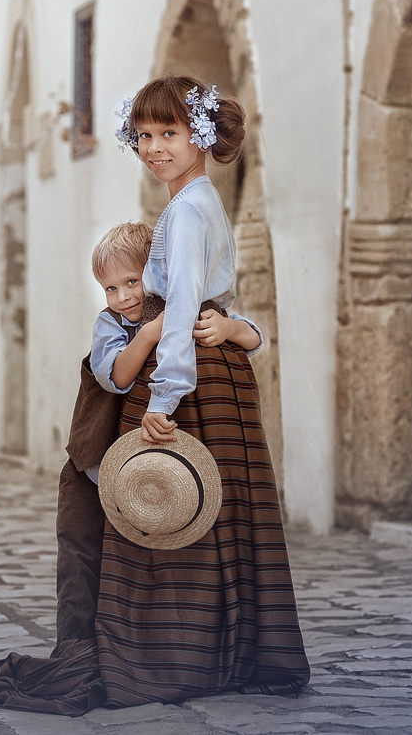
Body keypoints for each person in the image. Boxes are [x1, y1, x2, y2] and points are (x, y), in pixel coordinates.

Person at [0, 76, 310, 713]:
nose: (155, 147)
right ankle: (218, 652)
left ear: (201, 136)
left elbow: (187, 303)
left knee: (163, 523)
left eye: (170, 133)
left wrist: (164, 400)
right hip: (217, 382)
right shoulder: (197, 201)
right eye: (144, 136)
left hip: (186, 381)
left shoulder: (187, 211)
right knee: (205, 526)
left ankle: (161, 658)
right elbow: (209, 302)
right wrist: (239, 331)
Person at [56, 222, 261, 647]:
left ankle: (147, 642)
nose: (123, 296)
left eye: (131, 282)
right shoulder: (110, 325)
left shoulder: (182, 307)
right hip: (94, 462)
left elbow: (252, 335)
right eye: (110, 288)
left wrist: (228, 330)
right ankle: (76, 643)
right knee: (81, 552)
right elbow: (117, 376)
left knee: (148, 560)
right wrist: (150, 333)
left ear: (155, 274)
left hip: (155, 471)